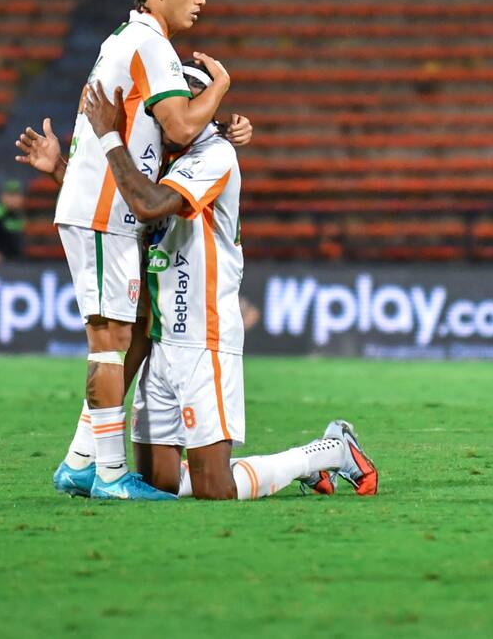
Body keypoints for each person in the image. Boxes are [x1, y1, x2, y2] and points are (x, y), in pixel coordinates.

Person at [85, 65, 378, 499]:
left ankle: (328, 451)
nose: (168, 116)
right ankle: (222, 464)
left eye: (180, 105)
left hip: (205, 338)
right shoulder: (164, 155)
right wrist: (59, 169)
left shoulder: (215, 154)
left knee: (215, 491)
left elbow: (148, 204)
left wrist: (109, 137)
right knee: (158, 484)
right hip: (161, 339)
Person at [25, 0, 246, 500]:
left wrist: (221, 124)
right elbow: (180, 126)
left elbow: (164, 134)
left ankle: (81, 461)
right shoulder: (150, 44)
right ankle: (107, 475)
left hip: (102, 206)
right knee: (111, 341)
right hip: (108, 213)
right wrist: (220, 88)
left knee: (136, 330)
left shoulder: (122, 41)